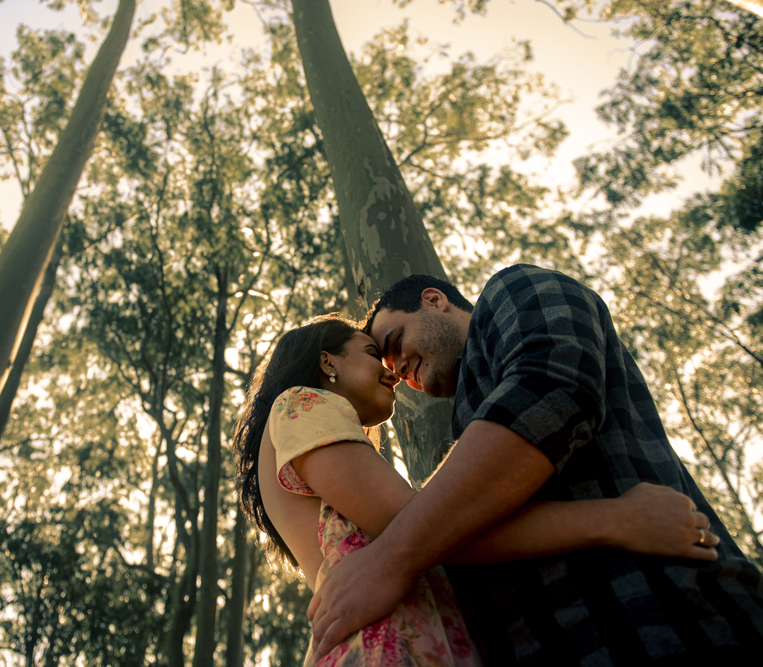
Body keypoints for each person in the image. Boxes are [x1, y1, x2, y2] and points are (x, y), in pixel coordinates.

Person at [306, 264, 763, 665]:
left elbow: (550, 389)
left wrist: (387, 560)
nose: (398, 369)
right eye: (387, 363)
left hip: (666, 617)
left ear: (434, 301)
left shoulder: (512, 290)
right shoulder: (463, 436)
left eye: (395, 341)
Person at [233, 313, 722, 667]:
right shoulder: (301, 404)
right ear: (327, 361)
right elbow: (424, 528)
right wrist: (615, 520)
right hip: (385, 646)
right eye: (370, 352)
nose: (393, 372)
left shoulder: (315, 437)